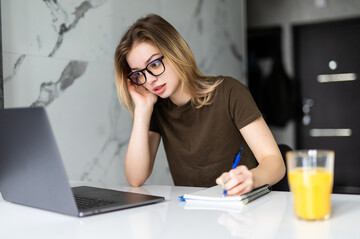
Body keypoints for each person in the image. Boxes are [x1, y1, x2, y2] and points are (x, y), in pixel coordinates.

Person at [114, 14, 285, 196]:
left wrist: (251, 178)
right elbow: (135, 178)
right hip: (192, 215)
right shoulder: (157, 108)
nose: (149, 79)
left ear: (175, 51)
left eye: (155, 64)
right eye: (138, 74)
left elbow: (275, 163)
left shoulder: (229, 91)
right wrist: (142, 109)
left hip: (240, 212)